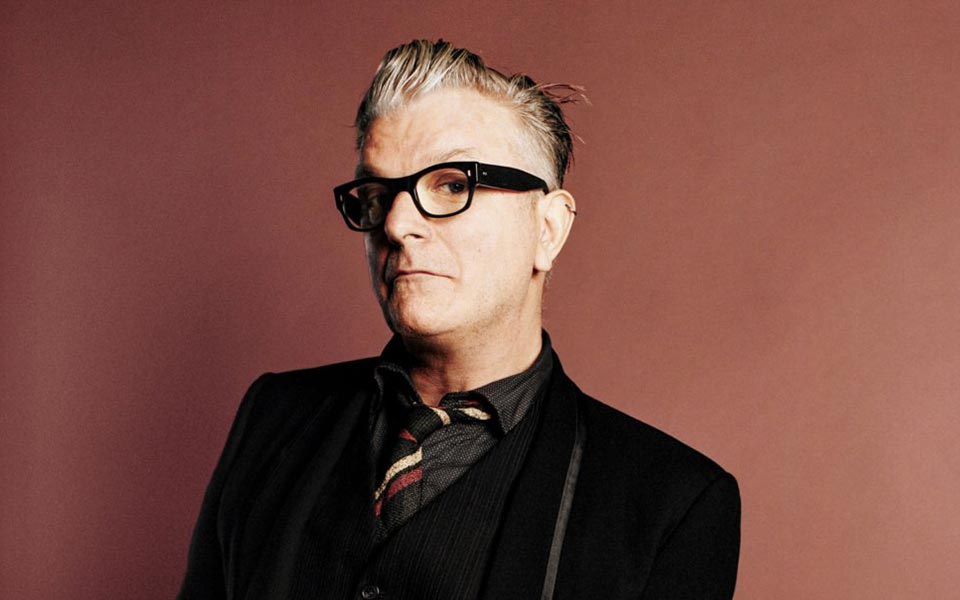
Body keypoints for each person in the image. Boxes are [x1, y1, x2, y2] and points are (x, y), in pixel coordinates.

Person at [178, 39, 740, 600]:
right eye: (377, 194)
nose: (396, 225)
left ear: (548, 229)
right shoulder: (274, 417)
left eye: (451, 184)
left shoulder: (671, 503)